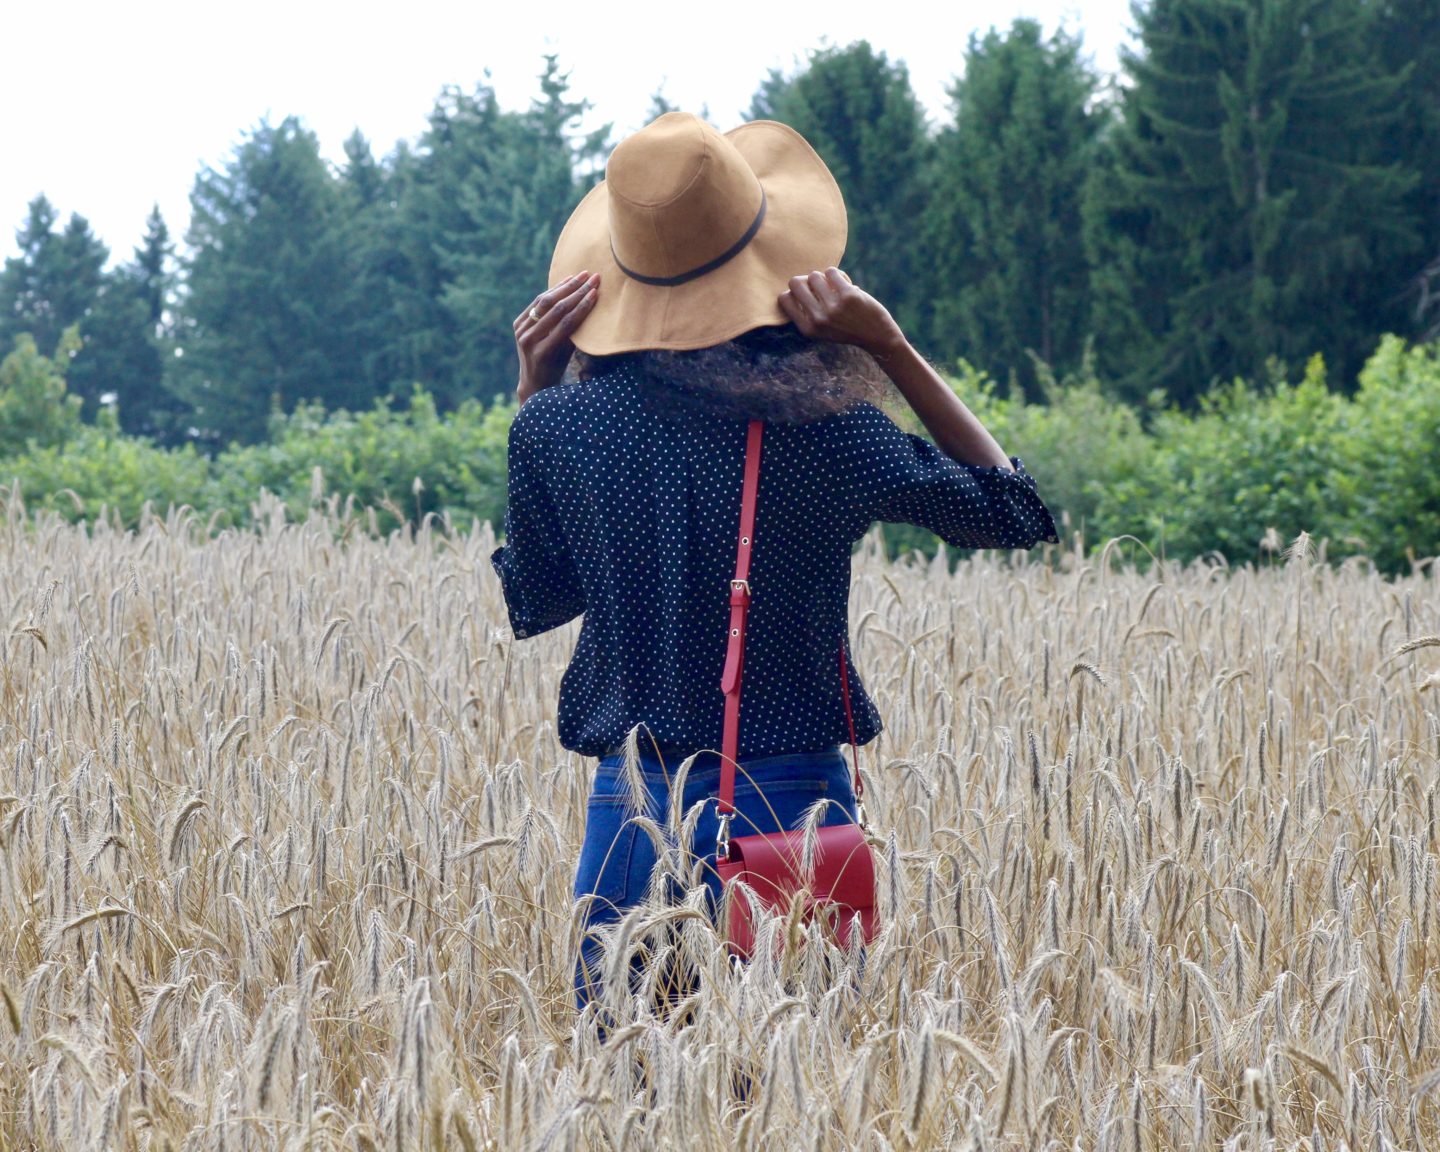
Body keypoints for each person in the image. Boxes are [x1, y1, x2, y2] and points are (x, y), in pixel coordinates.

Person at [490, 112, 1059, 1020]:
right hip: (789, 809)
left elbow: (537, 598)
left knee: (634, 1090)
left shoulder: (558, 429)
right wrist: (892, 347)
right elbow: (1012, 511)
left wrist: (535, 394)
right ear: (770, 271)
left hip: (628, 812)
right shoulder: (824, 430)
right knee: (800, 1088)